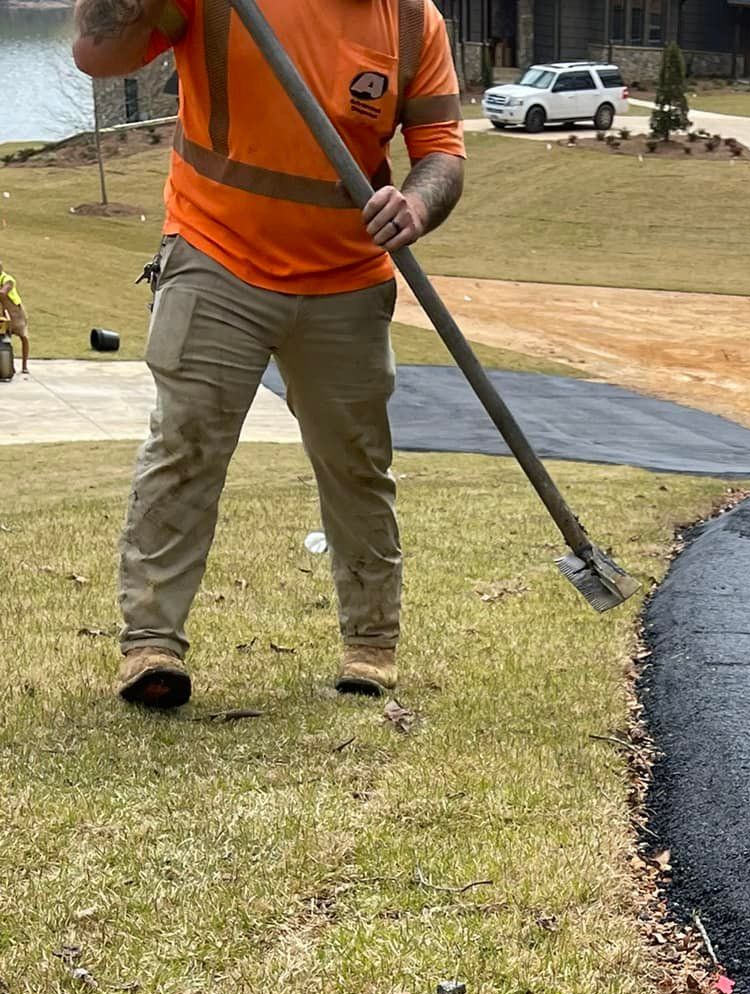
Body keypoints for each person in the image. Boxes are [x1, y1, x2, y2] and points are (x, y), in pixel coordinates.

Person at [72, 0, 467, 710]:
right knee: (185, 445)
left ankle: (370, 646)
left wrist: (415, 204)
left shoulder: (414, 23)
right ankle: (152, 644)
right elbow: (97, 52)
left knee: (356, 463)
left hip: (347, 280)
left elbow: (440, 150)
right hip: (216, 255)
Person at [0, 266, 30, 376]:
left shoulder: (8, 280)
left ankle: (24, 365)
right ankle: (8, 367)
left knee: (24, 337)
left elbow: (3, 293)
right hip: (3, 313)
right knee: (4, 339)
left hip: (16, 313)